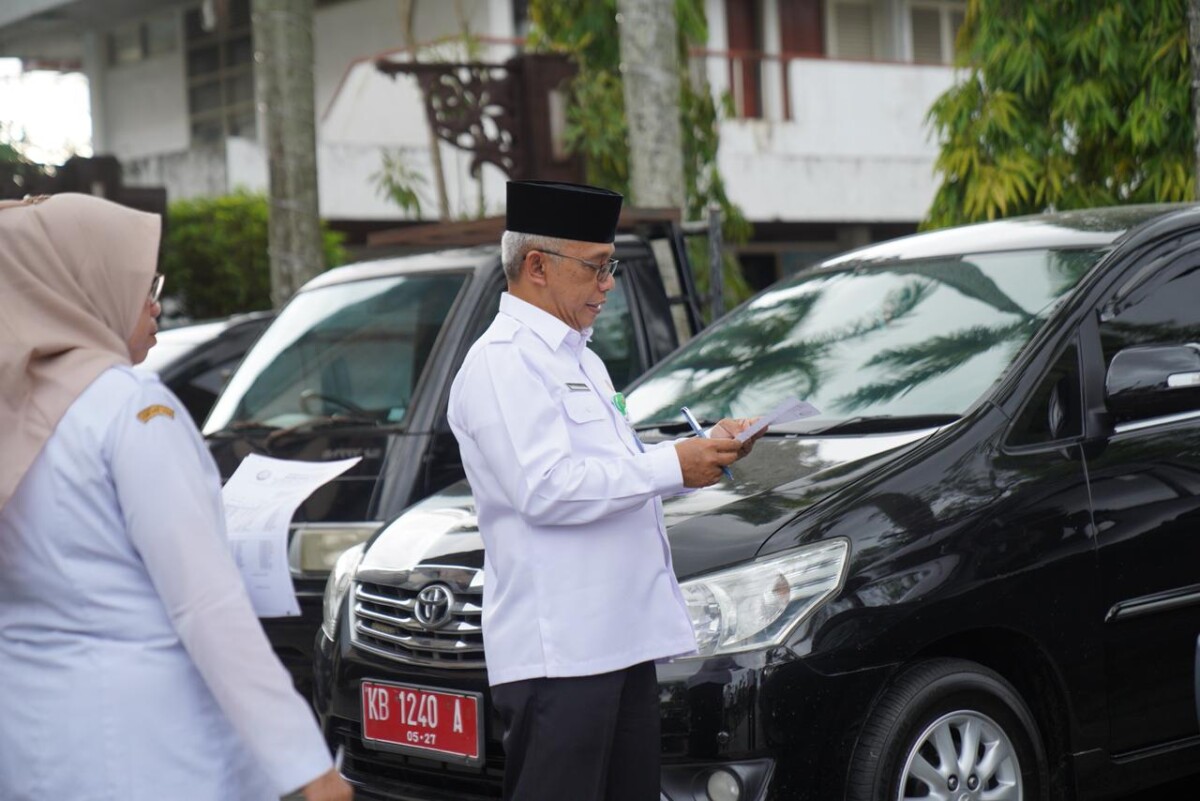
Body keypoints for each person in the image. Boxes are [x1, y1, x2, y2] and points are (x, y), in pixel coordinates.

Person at [0, 194, 352, 801]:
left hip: (34, 739)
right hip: (149, 745)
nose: (154, 302)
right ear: (82, 287)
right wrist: (305, 765)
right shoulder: (130, 404)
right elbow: (207, 604)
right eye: (140, 282)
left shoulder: (16, 410)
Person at [447, 180, 762, 801]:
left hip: (617, 641)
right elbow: (546, 489)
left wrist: (699, 455)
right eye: (596, 267)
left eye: (610, 266)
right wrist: (671, 465)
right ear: (536, 266)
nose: (608, 283)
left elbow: (610, 472)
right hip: (560, 654)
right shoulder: (503, 361)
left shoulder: (580, 359)